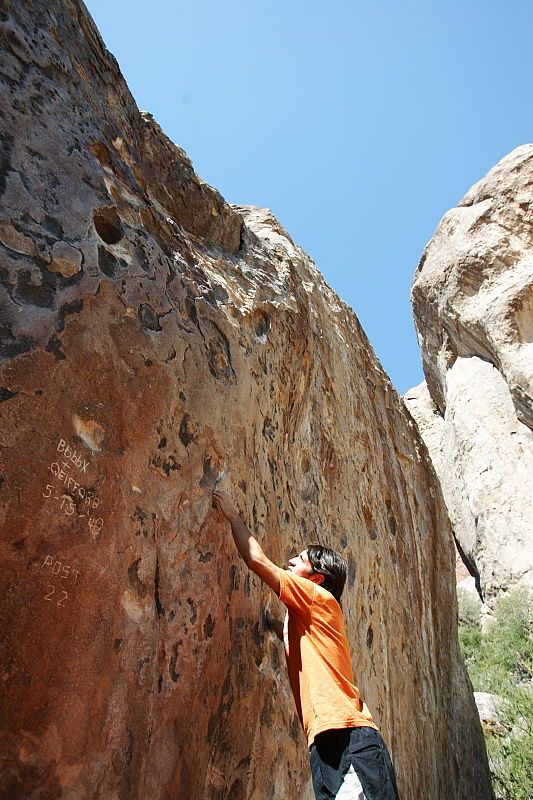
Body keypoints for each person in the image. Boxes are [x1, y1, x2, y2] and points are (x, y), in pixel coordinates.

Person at [212, 488, 399, 800]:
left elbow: (257, 560)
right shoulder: (310, 615)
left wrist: (234, 516)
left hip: (348, 737)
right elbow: (292, 635)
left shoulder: (318, 599)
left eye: (298, 561)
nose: (290, 560)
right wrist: (271, 624)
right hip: (327, 743)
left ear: (317, 579)